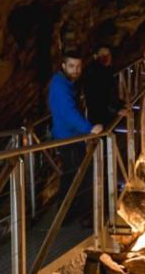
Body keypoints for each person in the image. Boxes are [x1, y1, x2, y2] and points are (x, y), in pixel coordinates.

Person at [48, 54, 102, 223]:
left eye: (78, 66)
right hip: (67, 138)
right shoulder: (60, 85)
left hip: (72, 136)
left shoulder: (68, 83)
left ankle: (69, 215)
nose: (76, 70)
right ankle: (71, 217)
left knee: (74, 176)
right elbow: (68, 112)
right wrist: (89, 128)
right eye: (71, 66)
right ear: (63, 66)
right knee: (76, 176)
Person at [82, 47, 125, 127]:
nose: (106, 57)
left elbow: (110, 93)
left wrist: (121, 104)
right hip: (101, 117)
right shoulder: (94, 74)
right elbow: (98, 98)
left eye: (108, 54)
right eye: (103, 55)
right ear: (95, 56)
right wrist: (116, 110)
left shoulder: (106, 70)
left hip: (107, 114)